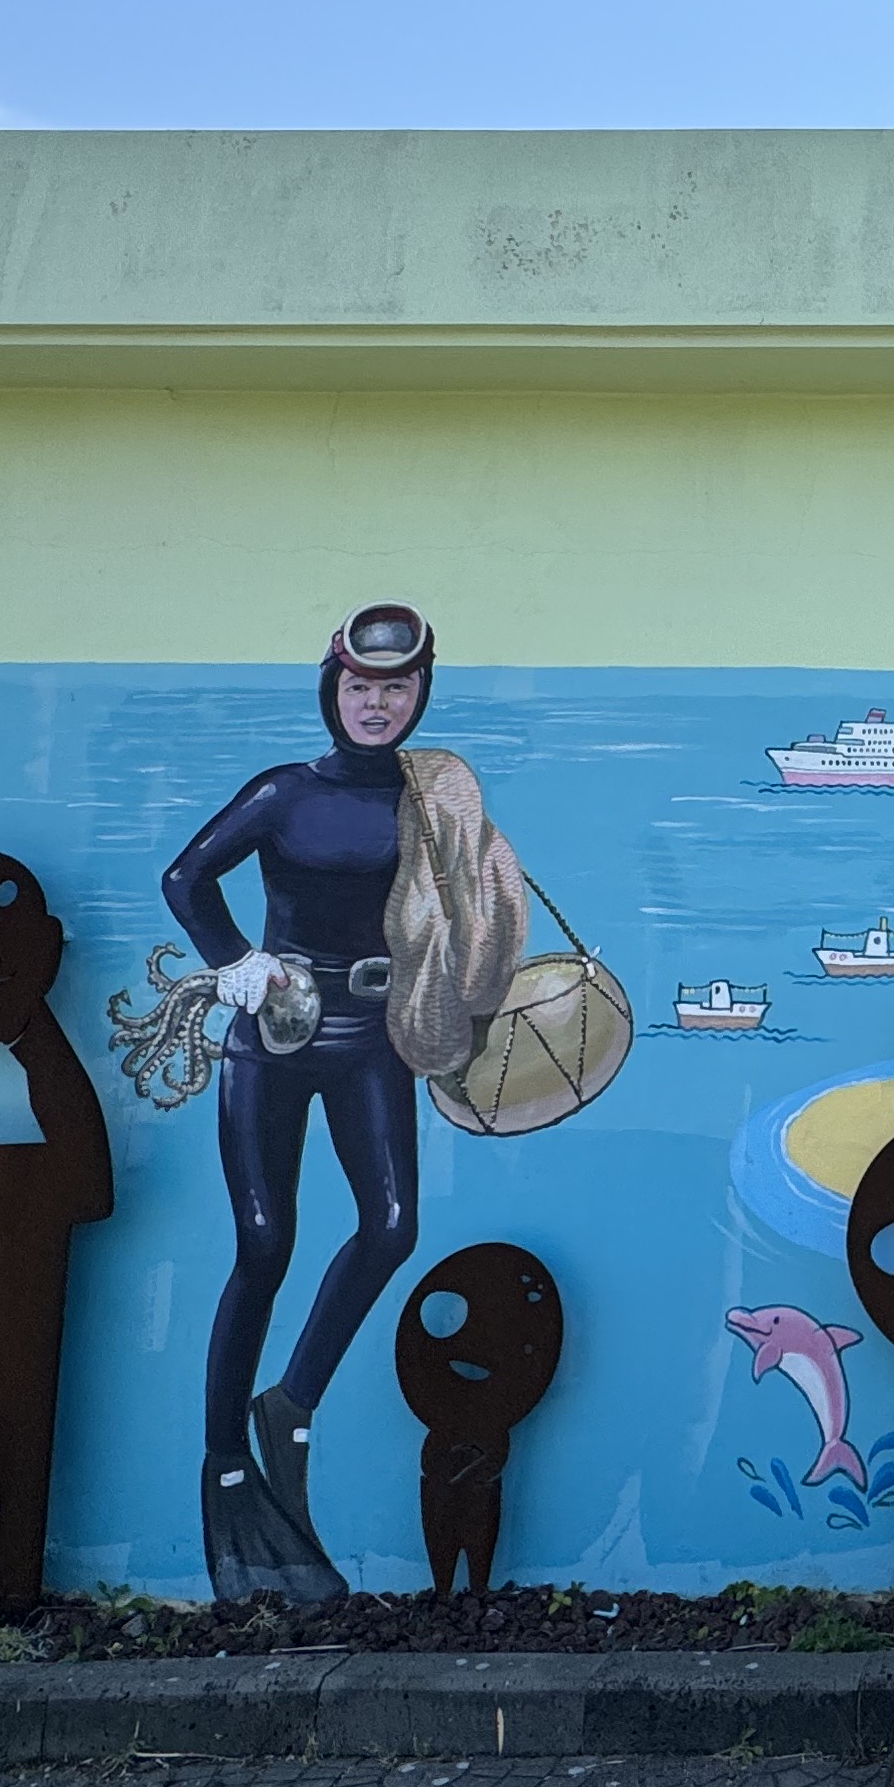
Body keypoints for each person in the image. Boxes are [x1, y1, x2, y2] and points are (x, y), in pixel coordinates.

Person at [163, 602, 521, 1599]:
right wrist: (235, 961)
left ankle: (291, 1404)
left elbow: (479, 901)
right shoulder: (285, 793)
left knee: (392, 1226)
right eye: (361, 687)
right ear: (334, 691)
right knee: (264, 1243)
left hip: (375, 1033)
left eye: (396, 688)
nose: (376, 705)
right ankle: (224, 1458)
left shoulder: (433, 804)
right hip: (275, 1030)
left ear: (420, 694)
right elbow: (187, 877)